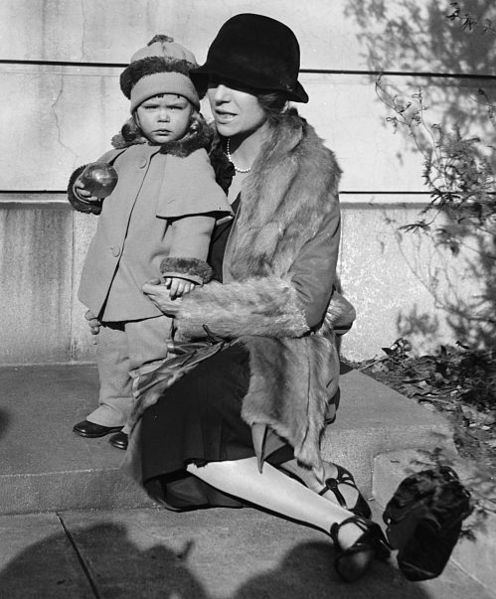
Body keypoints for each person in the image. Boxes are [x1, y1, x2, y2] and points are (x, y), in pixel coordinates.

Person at [126, 14, 390, 582]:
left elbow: (304, 303)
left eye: (236, 85)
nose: (217, 96)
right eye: (213, 80)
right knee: (169, 445)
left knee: (180, 421)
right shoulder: (202, 156)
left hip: (280, 344)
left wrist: (199, 310)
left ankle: (339, 523)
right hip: (204, 346)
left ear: (272, 96)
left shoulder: (307, 174)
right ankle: (326, 489)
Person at [68, 35, 232, 450]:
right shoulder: (122, 156)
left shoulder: (189, 160)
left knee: (150, 354)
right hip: (111, 276)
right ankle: (114, 404)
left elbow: (196, 216)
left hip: (147, 278)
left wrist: (184, 266)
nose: (163, 117)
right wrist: (83, 191)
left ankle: (147, 415)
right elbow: (92, 183)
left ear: (193, 114)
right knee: (112, 347)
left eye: (174, 107)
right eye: (151, 108)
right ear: (136, 113)